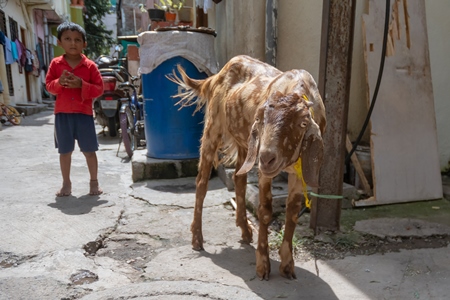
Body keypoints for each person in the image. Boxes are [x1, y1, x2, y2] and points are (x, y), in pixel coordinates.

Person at [46, 22, 104, 197]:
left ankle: (94, 182)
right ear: (59, 42)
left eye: (77, 40)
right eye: (68, 39)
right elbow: (49, 86)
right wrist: (59, 83)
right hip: (63, 115)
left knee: (89, 150)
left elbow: (99, 88)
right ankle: (66, 184)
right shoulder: (56, 65)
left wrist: (82, 85)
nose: (73, 43)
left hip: (84, 114)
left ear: (84, 44)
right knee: (65, 151)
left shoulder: (90, 66)